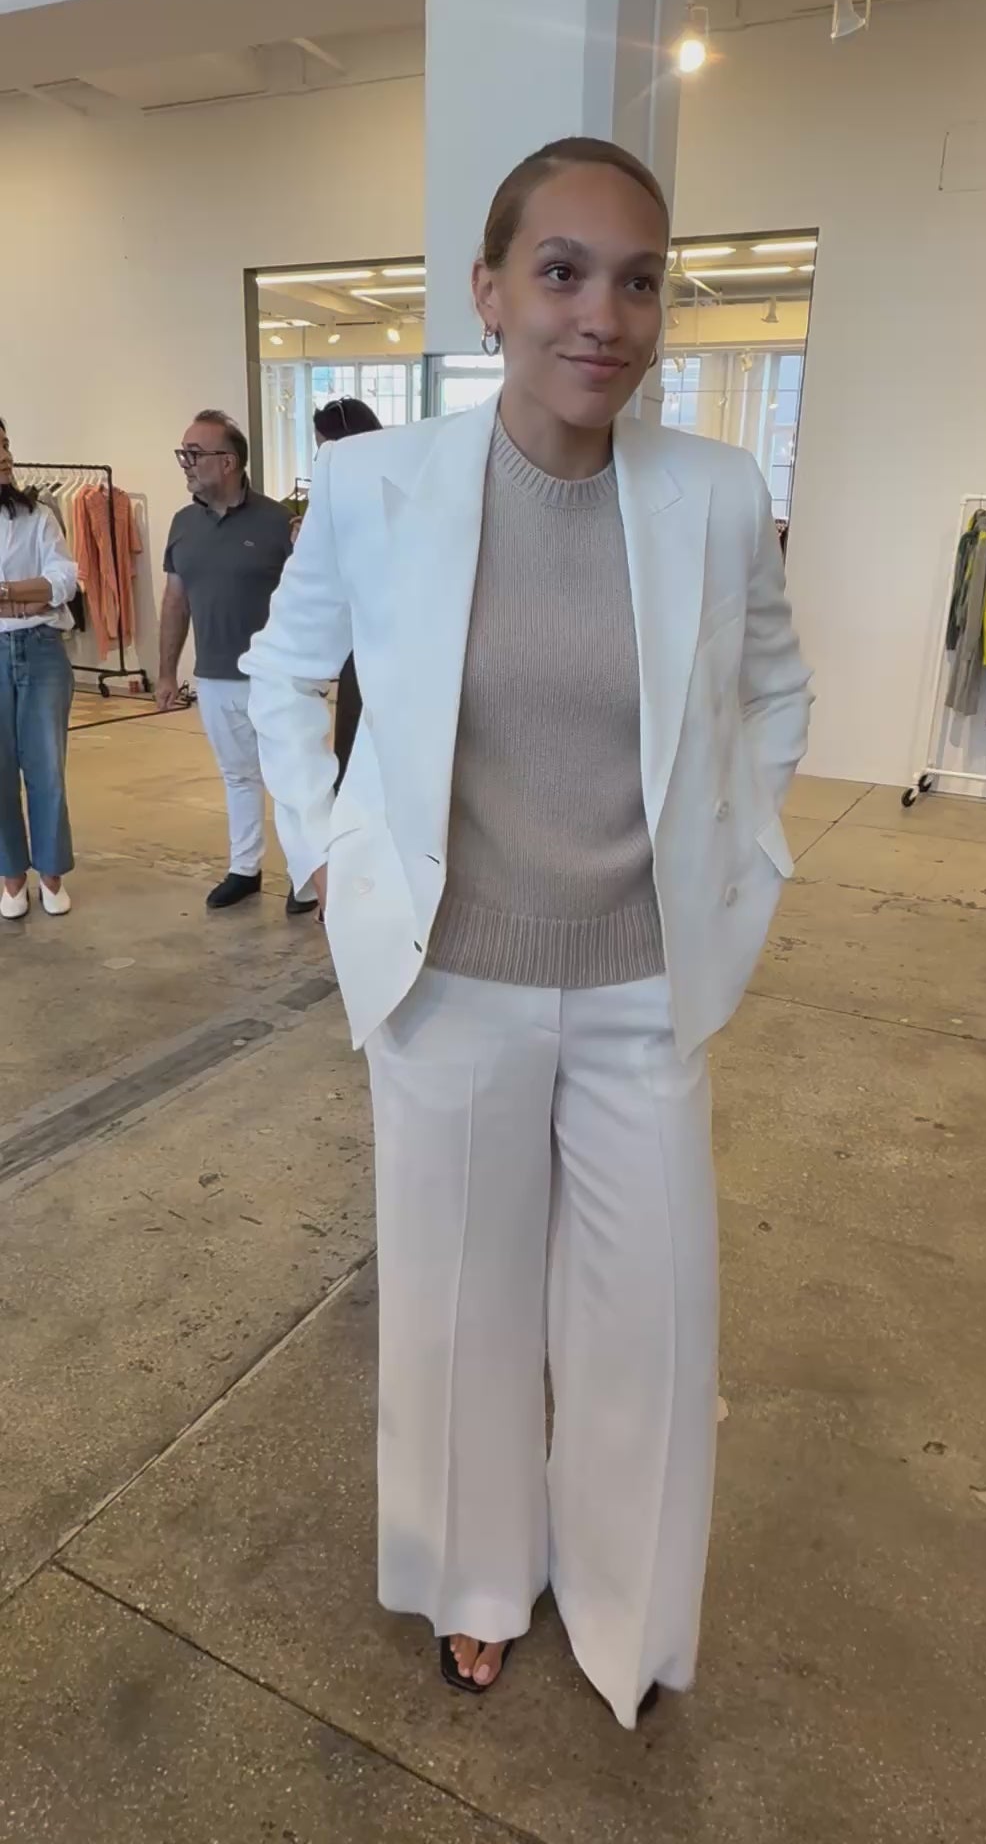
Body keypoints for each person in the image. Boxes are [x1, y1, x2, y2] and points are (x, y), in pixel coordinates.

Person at [242, 136, 811, 1728]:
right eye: (562, 272)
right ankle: (474, 1580)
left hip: (642, 984)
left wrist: (740, 857)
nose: (602, 316)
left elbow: (776, 689)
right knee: (459, 1315)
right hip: (452, 980)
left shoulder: (714, 495)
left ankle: (628, 1614)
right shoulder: (380, 487)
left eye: (638, 281)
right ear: (489, 291)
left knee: (650, 1325)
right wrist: (332, 853)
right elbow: (284, 670)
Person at [157, 410, 314, 915]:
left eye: (194, 454)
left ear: (228, 462)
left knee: (291, 780)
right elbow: (175, 601)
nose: (185, 463)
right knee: (238, 775)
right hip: (215, 676)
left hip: (278, 678)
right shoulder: (183, 524)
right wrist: (166, 672)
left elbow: (311, 597)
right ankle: (245, 869)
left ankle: (307, 878)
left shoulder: (279, 522)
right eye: (184, 453)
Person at [0, 416, 79, 921]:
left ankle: (51, 871)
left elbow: (64, 580)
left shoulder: (38, 515)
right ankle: (11, 874)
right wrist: (31, 596)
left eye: (6, 444)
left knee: (46, 767)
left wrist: (6, 594)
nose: (5, 455)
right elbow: (45, 588)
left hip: (42, 648)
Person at [310, 398, 381, 786]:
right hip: (359, 648)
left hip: (386, 645)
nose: (321, 461)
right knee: (353, 753)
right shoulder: (344, 499)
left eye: (325, 450)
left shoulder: (384, 498)